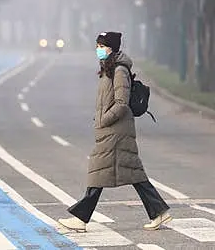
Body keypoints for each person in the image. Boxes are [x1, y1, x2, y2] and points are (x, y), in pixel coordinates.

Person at [58, 31, 171, 233]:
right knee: (132, 174)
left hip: (116, 132)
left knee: (98, 173)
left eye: (102, 46)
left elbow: (121, 104)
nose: (98, 50)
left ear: (111, 48)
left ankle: (80, 218)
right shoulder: (109, 69)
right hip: (112, 131)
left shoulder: (119, 71)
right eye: (97, 46)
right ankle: (159, 212)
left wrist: (103, 119)